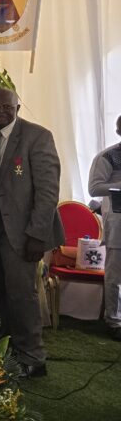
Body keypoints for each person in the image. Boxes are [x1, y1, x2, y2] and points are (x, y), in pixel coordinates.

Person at [0, 89, 63, 378]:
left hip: (24, 232)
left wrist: (37, 235)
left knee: (21, 294)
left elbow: (48, 190)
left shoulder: (37, 136)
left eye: (6, 106)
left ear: (17, 107)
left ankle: (32, 357)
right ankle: (4, 352)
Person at [90, 113, 121, 341]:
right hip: (118, 222)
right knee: (116, 274)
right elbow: (94, 188)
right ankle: (115, 322)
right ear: (118, 131)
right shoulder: (108, 156)